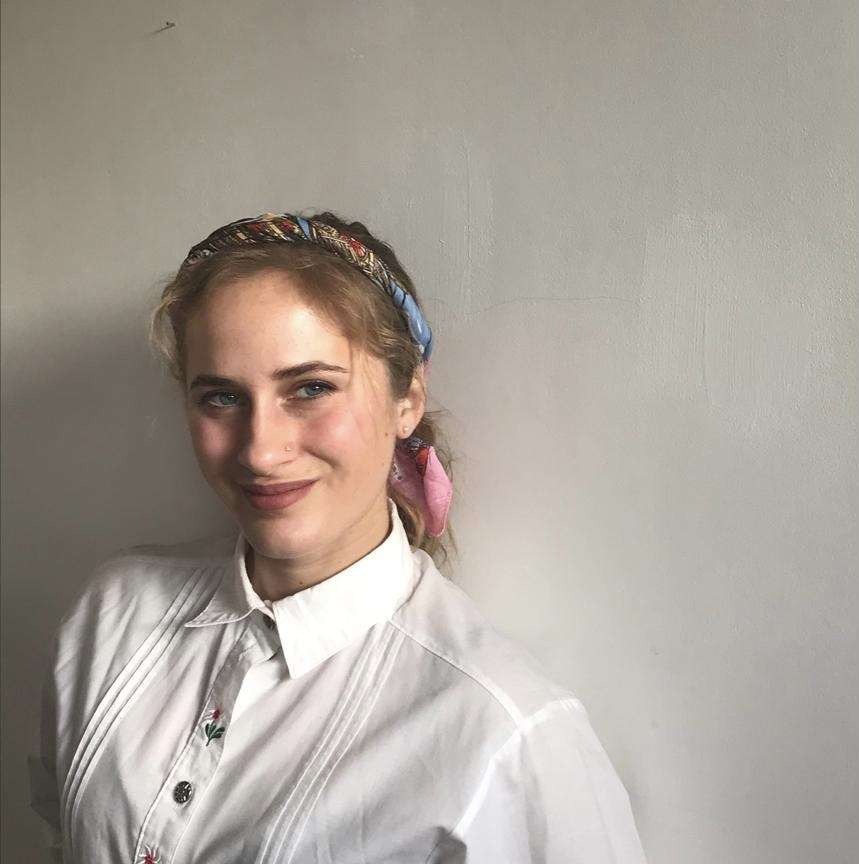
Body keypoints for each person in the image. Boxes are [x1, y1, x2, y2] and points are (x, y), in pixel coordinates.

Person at [28, 212, 647, 863]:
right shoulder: (115, 610)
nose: (261, 451)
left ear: (406, 396)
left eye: (311, 388)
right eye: (220, 398)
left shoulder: (507, 732)